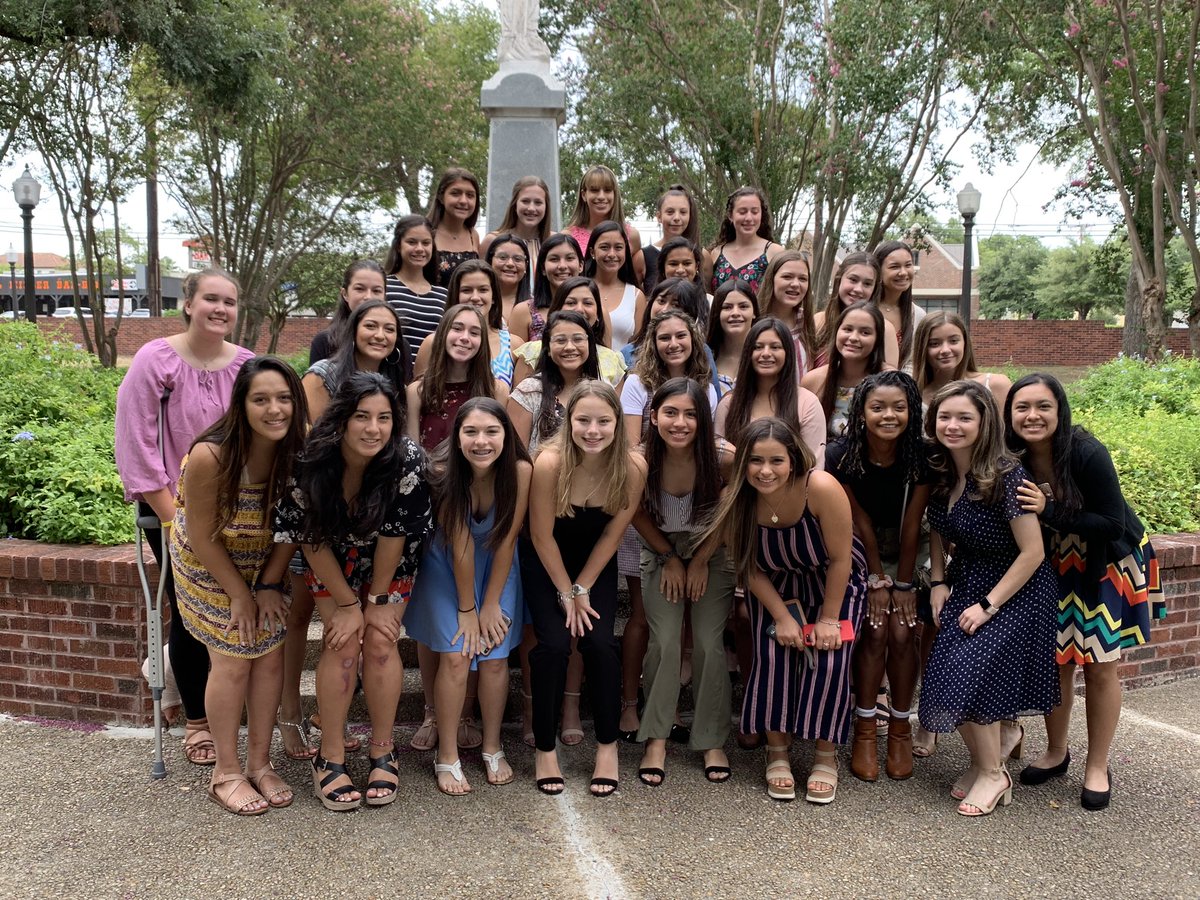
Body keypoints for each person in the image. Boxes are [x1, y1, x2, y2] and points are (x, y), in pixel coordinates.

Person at [1004, 373, 1166, 811]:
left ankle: (1097, 765)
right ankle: (1057, 751)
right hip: (1054, 563)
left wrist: (1050, 509)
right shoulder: (1010, 457)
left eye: (1043, 407)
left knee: (1098, 666)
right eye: (1022, 407)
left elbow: (1111, 524)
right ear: (1010, 413)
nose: (1032, 416)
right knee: (1056, 662)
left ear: (1060, 410)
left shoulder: (1086, 452)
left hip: (1106, 560)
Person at [115, 267, 255, 766]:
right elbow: (137, 443)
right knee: (192, 614)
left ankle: (229, 712)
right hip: (173, 511)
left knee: (233, 611)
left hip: (241, 516)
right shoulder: (157, 361)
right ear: (189, 304)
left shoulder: (246, 365)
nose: (221, 309)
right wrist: (176, 519)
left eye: (230, 302)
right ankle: (197, 720)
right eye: (211, 299)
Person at [273, 372, 432, 811]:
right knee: (342, 642)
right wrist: (346, 604)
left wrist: (377, 603)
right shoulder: (306, 460)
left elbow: (396, 533)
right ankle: (332, 752)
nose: (373, 428)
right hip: (329, 553)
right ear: (341, 418)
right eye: (362, 416)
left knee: (381, 641)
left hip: (390, 556)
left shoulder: (407, 458)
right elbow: (310, 535)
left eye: (383, 418)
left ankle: (383, 749)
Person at [701, 416, 867, 803]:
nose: (765, 470)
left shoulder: (820, 488)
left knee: (830, 660)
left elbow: (842, 559)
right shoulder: (737, 497)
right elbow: (748, 565)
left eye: (776, 460)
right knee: (772, 657)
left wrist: (827, 619)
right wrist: (780, 616)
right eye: (756, 461)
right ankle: (777, 749)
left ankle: (826, 755)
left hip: (833, 584)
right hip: (775, 588)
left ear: (794, 458)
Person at [169, 356, 308, 814]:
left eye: (284, 398)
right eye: (261, 399)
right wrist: (240, 594)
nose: (275, 409)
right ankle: (225, 772)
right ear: (241, 404)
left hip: (266, 560)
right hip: (209, 564)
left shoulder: (300, 450)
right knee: (234, 654)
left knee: (270, 657)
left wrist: (268, 584)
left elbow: (295, 526)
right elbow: (205, 536)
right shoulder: (212, 455)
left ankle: (260, 764)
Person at [918, 380, 1060, 817]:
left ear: (984, 423)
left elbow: (1033, 552)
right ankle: (992, 754)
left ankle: (994, 773)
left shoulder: (1006, 474)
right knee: (943, 672)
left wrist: (988, 606)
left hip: (1016, 590)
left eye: (964, 417)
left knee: (966, 672)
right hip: (967, 582)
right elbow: (938, 529)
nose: (953, 425)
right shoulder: (943, 471)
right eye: (945, 416)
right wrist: (938, 581)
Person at [525, 381, 648, 796]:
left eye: (603, 421)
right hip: (548, 563)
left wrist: (583, 588)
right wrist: (565, 592)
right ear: (569, 421)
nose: (592, 430)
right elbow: (541, 536)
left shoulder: (632, 467)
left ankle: (608, 747)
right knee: (555, 645)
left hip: (594, 564)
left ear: (617, 423)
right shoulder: (548, 462)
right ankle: (545, 748)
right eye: (583, 420)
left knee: (598, 644)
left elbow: (614, 534)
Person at [406, 399, 532, 793]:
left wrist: (491, 603)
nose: (482, 441)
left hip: (497, 563)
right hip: (448, 566)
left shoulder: (520, 470)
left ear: (506, 435)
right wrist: (467, 609)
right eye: (471, 432)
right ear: (456, 436)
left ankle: (493, 747)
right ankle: (447, 755)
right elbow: (459, 544)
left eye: (492, 432)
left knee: (494, 659)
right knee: (459, 654)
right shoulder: (444, 471)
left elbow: (509, 538)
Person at [825, 371, 929, 782]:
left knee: (903, 630)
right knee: (874, 627)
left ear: (911, 411)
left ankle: (900, 727)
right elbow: (859, 521)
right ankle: (865, 728)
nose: (889, 415)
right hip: (858, 544)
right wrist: (874, 579)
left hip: (908, 546)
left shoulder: (922, 454)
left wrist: (901, 585)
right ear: (862, 411)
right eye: (878, 407)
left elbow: (912, 525)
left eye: (899, 407)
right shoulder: (840, 454)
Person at [617, 309, 716, 740]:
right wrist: (667, 553)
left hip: (695, 522)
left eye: (682, 335)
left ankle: (673, 707)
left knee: (687, 624)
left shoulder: (707, 387)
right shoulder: (638, 383)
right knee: (646, 617)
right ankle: (630, 704)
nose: (673, 344)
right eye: (663, 337)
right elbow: (637, 446)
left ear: (694, 339)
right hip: (649, 514)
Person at [405, 303, 499, 753]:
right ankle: (431, 710)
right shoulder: (419, 390)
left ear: (483, 342)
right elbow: (409, 452)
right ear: (442, 335)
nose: (464, 337)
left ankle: (463, 713)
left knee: (475, 610)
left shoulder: (492, 386)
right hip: (431, 513)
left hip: (480, 515)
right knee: (435, 622)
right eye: (456, 329)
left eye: (474, 332)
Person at [632, 378, 735, 784]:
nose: (680, 422)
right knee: (665, 640)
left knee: (710, 642)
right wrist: (671, 557)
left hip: (713, 548)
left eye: (691, 414)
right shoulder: (640, 459)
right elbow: (635, 513)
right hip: (661, 548)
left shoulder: (723, 458)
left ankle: (711, 738)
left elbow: (732, 510)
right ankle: (655, 737)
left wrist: (702, 558)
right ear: (653, 416)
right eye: (671, 413)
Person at [714, 317, 826, 465]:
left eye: (775, 347)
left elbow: (814, 467)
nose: (766, 353)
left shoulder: (808, 404)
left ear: (788, 353)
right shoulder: (729, 404)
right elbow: (719, 460)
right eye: (758, 347)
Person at [416, 260, 522, 390]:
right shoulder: (432, 343)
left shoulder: (514, 345)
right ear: (456, 295)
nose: (475, 297)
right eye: (466, 290)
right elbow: (419, 394)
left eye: (483, 290)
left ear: (493, 296)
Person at [507, 310, 602, 455]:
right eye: (560, 340)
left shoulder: (602, 392)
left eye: (578, 339)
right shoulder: (527, 392)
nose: (570, 347)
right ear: (548, 349)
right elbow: (515, 458)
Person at [301, 300, 408, 423]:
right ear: (353, 331)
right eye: (370, 326)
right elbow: (309, 436)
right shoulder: (322, 376)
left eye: (389, 329)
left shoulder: (398, 386)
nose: (380, 335)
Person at [510, 277, 627, 387]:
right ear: (557, 310)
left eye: (588, 303)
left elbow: (615, 407)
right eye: (571, 303)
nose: (579, 309)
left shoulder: (612, 360)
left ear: (598, 314)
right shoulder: (532, 353)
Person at [801, 301, 891, 440]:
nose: (853, 338)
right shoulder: (813, 380)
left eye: (865, 332)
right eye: (848, 329)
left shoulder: (890, 380)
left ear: (877, 339)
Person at [813, 252, 898, 369]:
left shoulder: (885, 329)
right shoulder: (818, 321)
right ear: (839, 279)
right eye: (853, 280)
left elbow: (890, 381)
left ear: (874, 289)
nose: (858, 289)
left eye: (867, 284)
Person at [913, 311, 1011, 411]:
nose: (945, 350)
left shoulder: (995, 385)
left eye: (954, 341)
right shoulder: (914, 397)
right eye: (934, 344)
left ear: (965, 342)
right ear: (922, 348)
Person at [563, 164, 644, 280]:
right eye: (594, 190)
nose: (601, 196)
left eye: (607, 190)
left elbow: (636, 280)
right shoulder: (567, 236)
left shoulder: (632, 236)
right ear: (584, 195)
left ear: (614, 194)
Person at [309, 260, 395, 367]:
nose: (368, 297)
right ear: (345, 294)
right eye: (360, 289)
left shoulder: (396, 344)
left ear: (385, 295)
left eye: (376, 291)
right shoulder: (325, 341)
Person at [480, 175, 552, 296]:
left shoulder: (553, 242)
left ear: (546, 206)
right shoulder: (492, 241)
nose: (531, 208)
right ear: (515, 204)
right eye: (525, 201)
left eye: (538, 202)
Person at [507, 233, 584, 344]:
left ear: (581, 265)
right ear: (543, 268)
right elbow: (515, 359)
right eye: (554, 259)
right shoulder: (523, 312)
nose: (562, 266)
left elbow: (606, 357)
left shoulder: (592, 309)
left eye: (570, 258)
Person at [706, 187, 783, 295]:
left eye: (755, 212)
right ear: (730, 216)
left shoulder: (774, 252)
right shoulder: (716, 254)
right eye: (742, 212)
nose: (749, 218)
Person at [583, 219, 645, 349]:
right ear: (592, 252)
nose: (612, 254)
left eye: (618, 248)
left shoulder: (636, 296)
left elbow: (639, 347)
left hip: (624, 369)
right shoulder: (578, 290)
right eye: (604, 247)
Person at [758, 250, 819, 380]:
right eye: (787, 277)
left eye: (802, 278)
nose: (795, 284)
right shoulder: (753, 320)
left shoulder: (806, 323)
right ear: (771, 279)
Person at [871, 241, 925, 370]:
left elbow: (913, 363)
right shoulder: (865, 311)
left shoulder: (917, 315)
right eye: (894, 267)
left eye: (908, 265)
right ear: (878, 271)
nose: (903, 272)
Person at [427, 167, 481, 287]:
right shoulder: (427, 233)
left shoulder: (473, 236)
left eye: (470, 195)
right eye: (455, 193)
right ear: (441, 197)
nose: (463, 200)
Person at [642, 185, 701, 295]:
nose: (677, 218)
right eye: (670, 212)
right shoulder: (643, 256)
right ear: (659, 216)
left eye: (683, 212)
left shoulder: (701, 253)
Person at [705, 278, 759, 398]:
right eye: (727, 307)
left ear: (754, 312)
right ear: (717, 313)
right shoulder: (703, 359)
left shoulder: (765, 354)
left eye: (743, 306)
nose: (735, 313)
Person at [485, 233, 533, 325]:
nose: (510, 264)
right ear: (490, 261)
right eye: (502, 257)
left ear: (526, 266)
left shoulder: (535, 306)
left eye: (518, 259)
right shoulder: (479, 300)